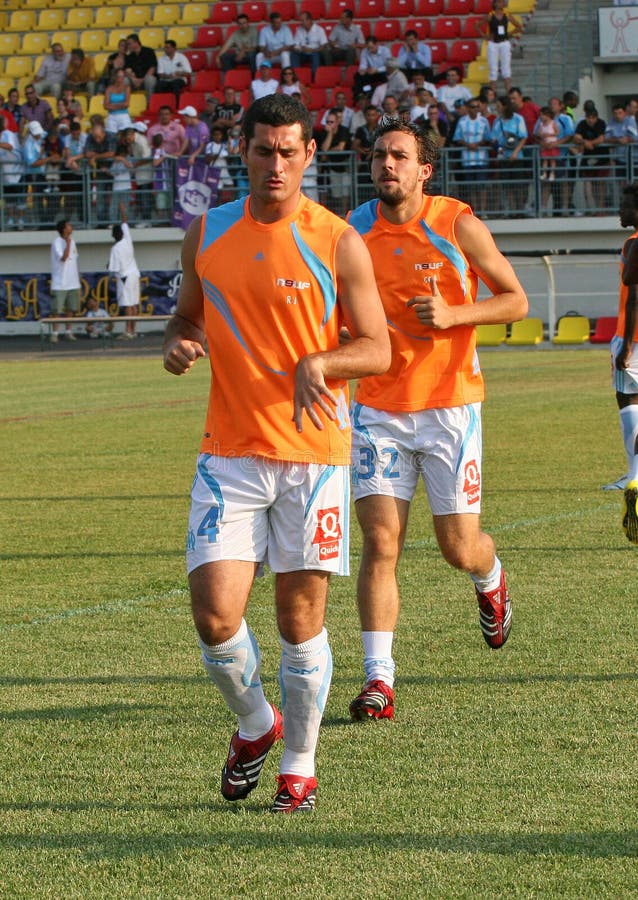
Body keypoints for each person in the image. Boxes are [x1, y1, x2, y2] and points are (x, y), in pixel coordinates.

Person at [161, 94, 390, 813]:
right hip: (229, 452)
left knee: (299, 620)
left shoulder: (336, 241)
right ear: (245, 152)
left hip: (314, 456)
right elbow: (187, 311)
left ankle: (300, 762)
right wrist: (178, 340)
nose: (277, 164)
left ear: (310, 154)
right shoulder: (208, 232)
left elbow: (376, 346)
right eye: (265, 150)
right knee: (214, 613)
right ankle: (257, 727)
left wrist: (323, 362)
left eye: (291, 150)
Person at [346, 116, 527, 721]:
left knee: (458, 547)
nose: (386, 165)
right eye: (378, 156)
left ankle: (490, 577)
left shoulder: (457, 224)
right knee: (381, 542)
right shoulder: (353, 230)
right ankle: (379, 680)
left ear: (425, 169)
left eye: (399, 156)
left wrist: (454, 315)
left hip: (451, 408)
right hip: (377, 409)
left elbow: (516, 300)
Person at [610, 186, 638, 537]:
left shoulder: (634, 243)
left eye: (628, 204)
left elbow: (633, 297)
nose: (621, 208)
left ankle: (633, 476)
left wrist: (626, 345)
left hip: (632, 337)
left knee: (629, 402)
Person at [109, 206, 141, 339]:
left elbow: (114, 269)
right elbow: (125, 222)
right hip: (134, 274)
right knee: (133, 304)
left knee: (128, 305)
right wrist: (122, 210)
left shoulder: (115, 248)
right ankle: (132, 330)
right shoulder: (127, 239)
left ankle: (128, 331)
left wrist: (108, 267)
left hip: (124, 278)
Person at [479, 0, 523, 93]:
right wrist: (484, 35)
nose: (502, 4)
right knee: (493, 69)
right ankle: (492, 92)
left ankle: (508, 91)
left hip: (504, 43)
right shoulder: (490, 15)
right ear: (495, 4)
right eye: (499, 2)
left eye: (502, 2)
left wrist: (509, 34)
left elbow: (519, 26)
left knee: (506, 68)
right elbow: (477, 25)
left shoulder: (507, 15)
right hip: (493, 43)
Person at [50, 219, 82, 342]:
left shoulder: (72, 242)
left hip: (72, 281)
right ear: (64, 229)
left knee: (70, 308)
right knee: (56, 310)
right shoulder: (57, 242)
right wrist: (67, 244)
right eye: (69, 225)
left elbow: (74, 260)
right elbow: (63, 258)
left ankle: (68, 332)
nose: (71, 227)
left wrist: (78, 277)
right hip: (59, 282)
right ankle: (55, 333)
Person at [292, 11, 329, 76]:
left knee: (315, 55)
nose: (301, 23)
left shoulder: (319, 29)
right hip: (303, 52)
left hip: (314, 52)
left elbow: (324, 45)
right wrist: (298, 49)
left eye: (303, 20)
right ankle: (296, 74)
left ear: (309, 20)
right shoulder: (299, 29)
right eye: (301, 21)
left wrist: (312, 50)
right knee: (294, 54)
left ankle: (314, 76)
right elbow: (296, 44)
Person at [124, 33, 158, 99]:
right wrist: (133, 79)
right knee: (125, 80)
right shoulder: (129, 56)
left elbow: (152, 68)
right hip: (135, 81)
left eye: (129, 44)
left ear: (136, 42)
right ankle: (127, 103)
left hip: (145, 80)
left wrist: (142, 80)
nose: (128, 46)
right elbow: (128, 70)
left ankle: (150, 103)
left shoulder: (149, 52)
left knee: (150, 79)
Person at [104, 69, 132, 135]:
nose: (121, 78)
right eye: (119, 76)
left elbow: (126, 104)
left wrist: (112, 105)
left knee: (126, 136)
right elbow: (105, 106)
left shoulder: (127, 88)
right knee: (111, 137)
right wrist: (121, 105)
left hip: (124, 116)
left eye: (123, 76)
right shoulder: (109, 88)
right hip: (112, 116)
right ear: (115, 77)